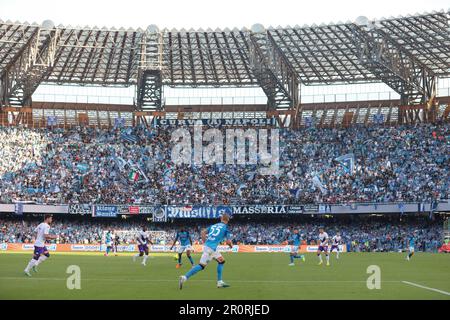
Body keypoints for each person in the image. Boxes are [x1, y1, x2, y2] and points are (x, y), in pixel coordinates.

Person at [179, 214, 233, 289]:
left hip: (208, 246)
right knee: (202, 266)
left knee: (221, 261)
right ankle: (185, 277)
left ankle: (219, 282)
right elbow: (228, 242)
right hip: (212, 249)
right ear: (228, 220)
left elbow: (203, 232)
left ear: (221, 218)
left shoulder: (214, 225)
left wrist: (205, 242)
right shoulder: (226, 228)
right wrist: (231, 246)